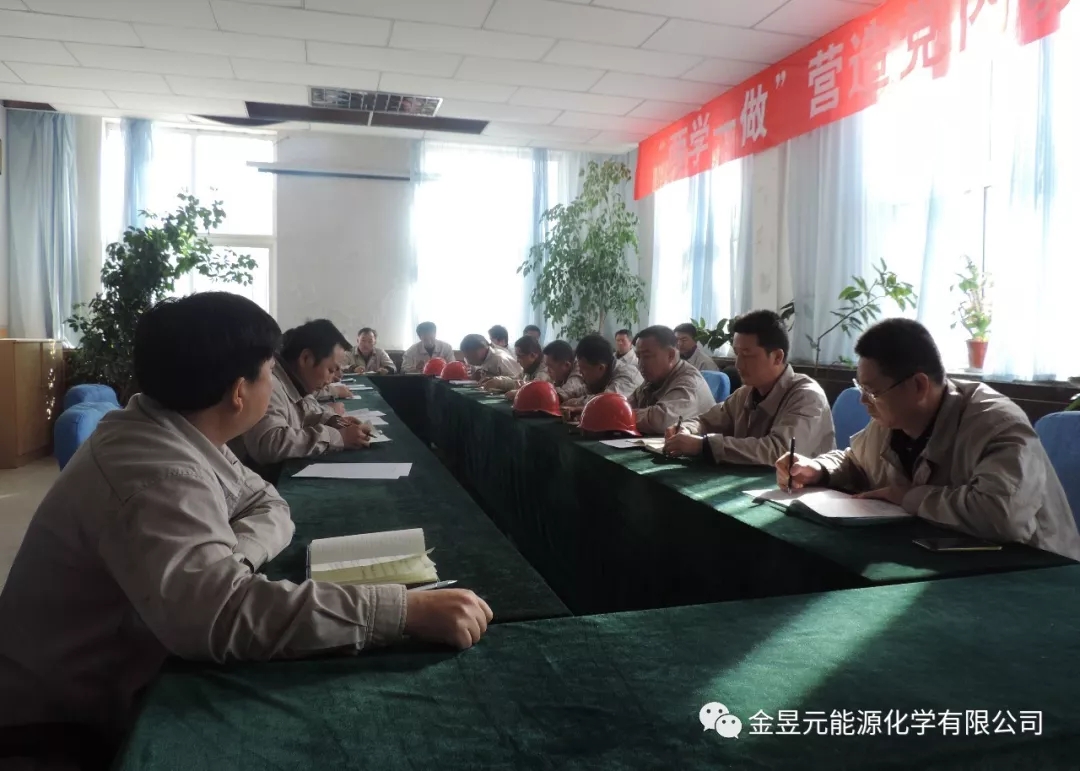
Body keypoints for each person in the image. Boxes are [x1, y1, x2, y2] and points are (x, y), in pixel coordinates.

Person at [0, 293, 493, 766]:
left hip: (118, 675)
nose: (273, 384)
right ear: (239, 392)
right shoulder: (158, 473)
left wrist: (233, 558)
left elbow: (268, 502)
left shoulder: (175, 430)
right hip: (57, 729)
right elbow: (224, 616)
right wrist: (402, 610)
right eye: (268, 374)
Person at [776, 318, 1080, 560]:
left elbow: (1001, 515)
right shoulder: (892, 418)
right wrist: (818, 469)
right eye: (861, 388)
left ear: (919, 386)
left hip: (1039, 573)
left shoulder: (995, 423)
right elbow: (857, 461)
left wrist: (908, 497)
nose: (863, 401)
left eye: (872, 391)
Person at [664, 310, 834, 464]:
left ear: (777, 357)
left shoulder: (808, 396)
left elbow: (780, 451)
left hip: (798, 488)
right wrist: (686, 429)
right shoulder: (745, 393)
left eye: (747, 355)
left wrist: (704, 445)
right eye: (737, 354)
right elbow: (706, 421)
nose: (738, 364)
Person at [240, 319, 373, 466]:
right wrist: (337, 437)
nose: (337, 377)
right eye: (331, 369)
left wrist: (333, 421)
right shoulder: (269, 384)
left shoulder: (297, 382)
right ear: (306, 358)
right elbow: (269, 443)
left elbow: (306, 411)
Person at [628, 325, 716, 435]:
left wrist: (622, 414)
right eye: (638, 357)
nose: (640, 364)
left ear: (670, 355)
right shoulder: (654, 379)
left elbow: (661, 421)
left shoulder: (688, 382)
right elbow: (627, 404)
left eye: (647, 356)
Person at [563, 334, 643, 411]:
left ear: (601, 368)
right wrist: (562, 396)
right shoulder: (601, 373)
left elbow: (604, 402)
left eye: (583, 368)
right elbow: (583, 391)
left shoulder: (627, 376)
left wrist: (573, 403)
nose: (580, 372)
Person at [484, 335, 549, 398]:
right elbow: (516, 380)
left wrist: (518, 393)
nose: (517, 361)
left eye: (520, 356)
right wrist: (497, 380)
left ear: (533, 355)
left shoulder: (544, 370)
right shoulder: (530, 366)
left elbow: (536, 388)